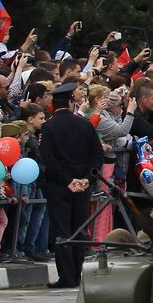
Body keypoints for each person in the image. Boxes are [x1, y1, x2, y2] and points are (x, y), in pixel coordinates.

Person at [38, 82, 102, 288]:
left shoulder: (49, 126)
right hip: (82, 186)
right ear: (72, 102)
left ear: (52, 107)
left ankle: (67, 276)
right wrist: (87, 179)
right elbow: (97, 156)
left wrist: (68, 180)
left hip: (60, 186)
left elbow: (48, 157)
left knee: (62, 231)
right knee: (80, 229)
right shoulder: (85, 125)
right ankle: (78, 273)